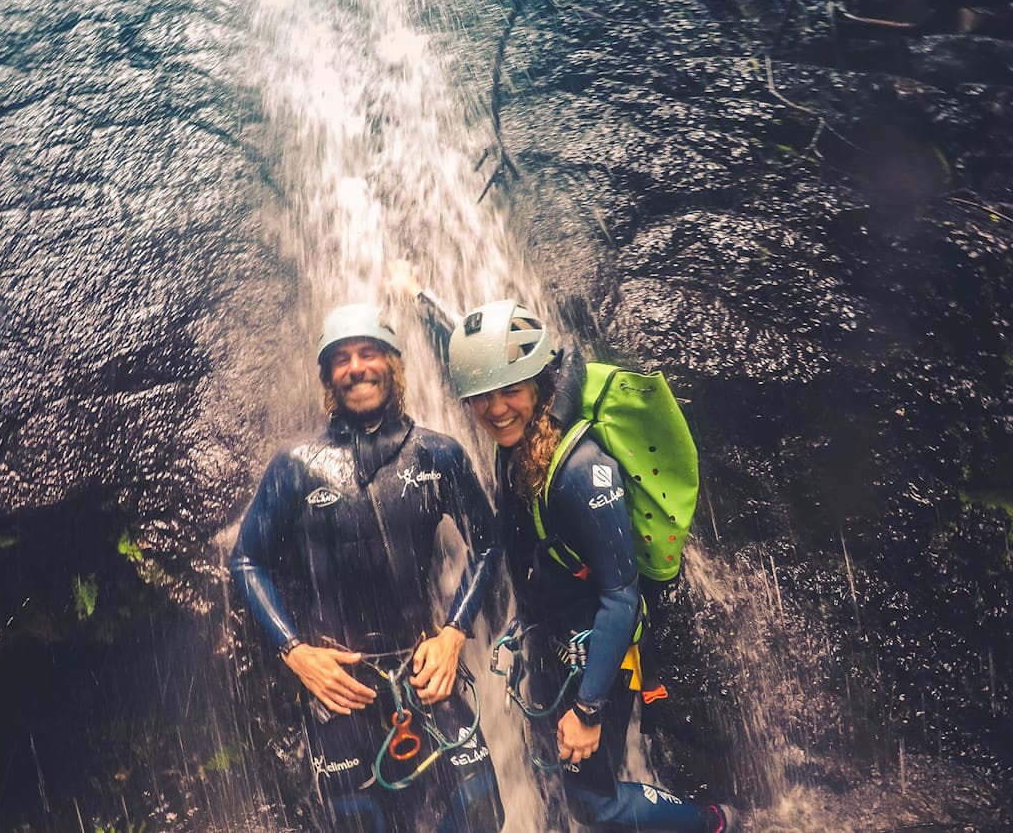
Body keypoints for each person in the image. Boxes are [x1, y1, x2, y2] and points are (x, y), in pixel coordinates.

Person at [390, 267, 736, 832]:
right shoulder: (524, 437)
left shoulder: (581, 470)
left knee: (592, 802)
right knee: (563, 779)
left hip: (599, 651)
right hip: (554, 643)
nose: (495, 408)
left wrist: (589, 709)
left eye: (510, 391)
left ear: (540, 383)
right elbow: (473, 340)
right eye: (481, 395)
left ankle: (716, 822)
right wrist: (418, 296)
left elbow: (621, 598)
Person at [231, 304, 505, 833]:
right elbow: (247, 560)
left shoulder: (437, 454)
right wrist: (295, 651)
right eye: (340, 359)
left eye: (368, 352)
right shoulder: (295, 465)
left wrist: (453, 634)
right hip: (338, 689)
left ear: (393, 364)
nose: (355, 367)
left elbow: (489, 544)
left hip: (427, 675)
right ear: (328, 378)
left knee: (482, 814)